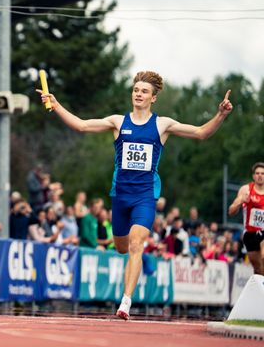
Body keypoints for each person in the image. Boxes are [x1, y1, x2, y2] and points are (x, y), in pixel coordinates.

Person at [37, 70, 233, 320]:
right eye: (136, 90)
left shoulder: (163, 125)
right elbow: (82, 125)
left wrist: (220, 115)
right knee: (121, 247)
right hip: (120, 196)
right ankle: (128, 280)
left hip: (145, 196)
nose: (139, 94)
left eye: (144, 92)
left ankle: (125, 301)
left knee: (135, 244)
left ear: (153, 98)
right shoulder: (118, 122)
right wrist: (56, 104)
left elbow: (201, 133)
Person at [229, 162, 264, 275]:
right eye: (257, 173)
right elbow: (231, 211)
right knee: (258, 269)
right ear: (253, 176)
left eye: (263, 173)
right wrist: (240, 201)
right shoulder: (246, 190)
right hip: (250, 234)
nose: (260, 176)